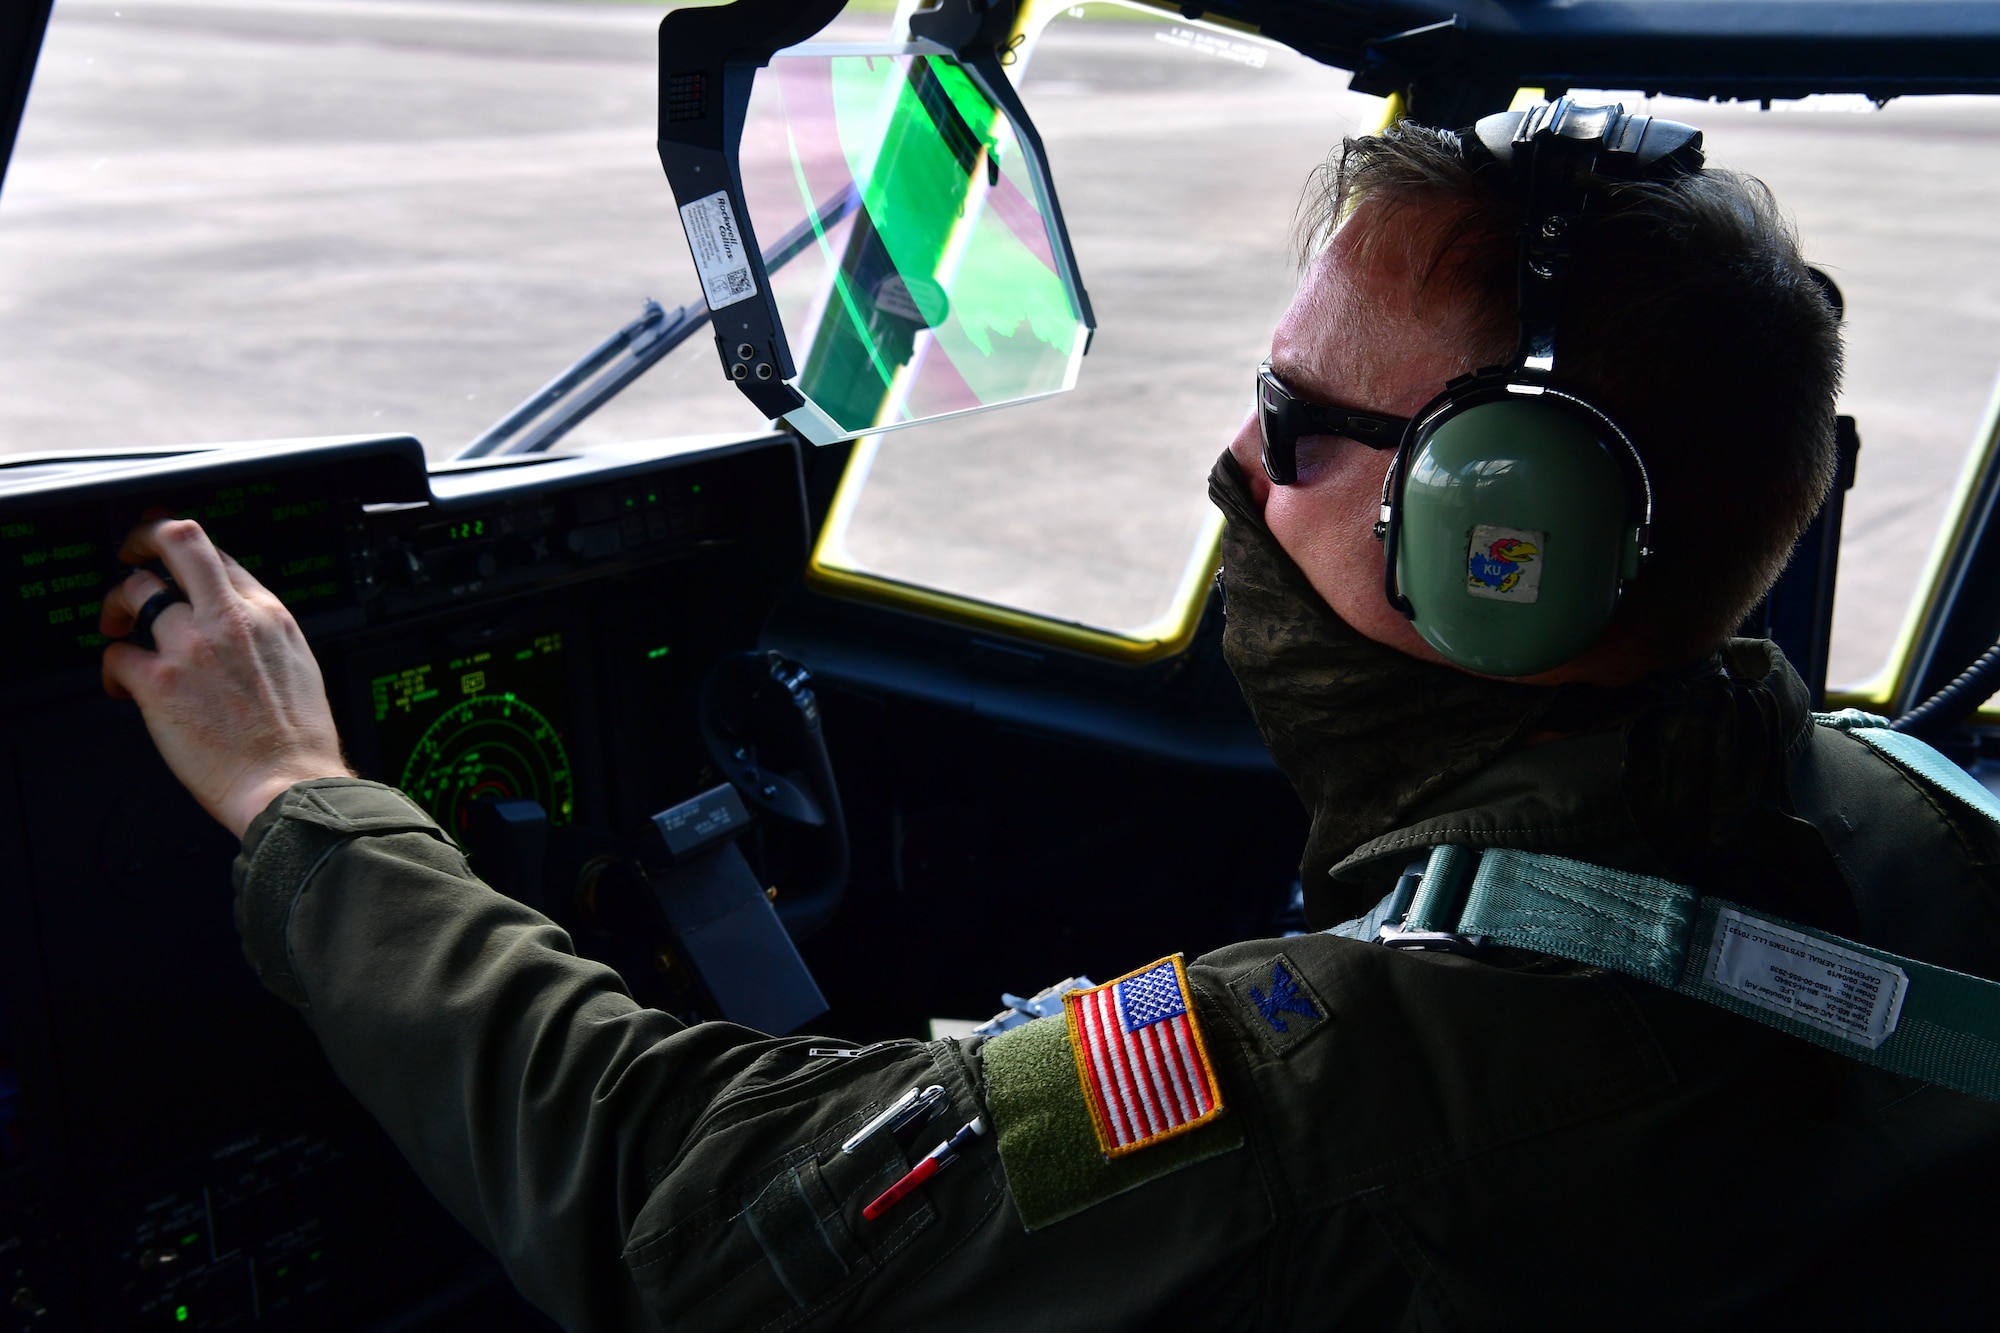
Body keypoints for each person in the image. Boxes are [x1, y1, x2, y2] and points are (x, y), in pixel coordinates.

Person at [97, 109, 2000, 1330]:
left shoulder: (1340, 1087)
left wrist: (297, 796)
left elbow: (678, 1221)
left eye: (1305, 421)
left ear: (1514, 538)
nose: (1239, 464)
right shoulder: (1929, 834)